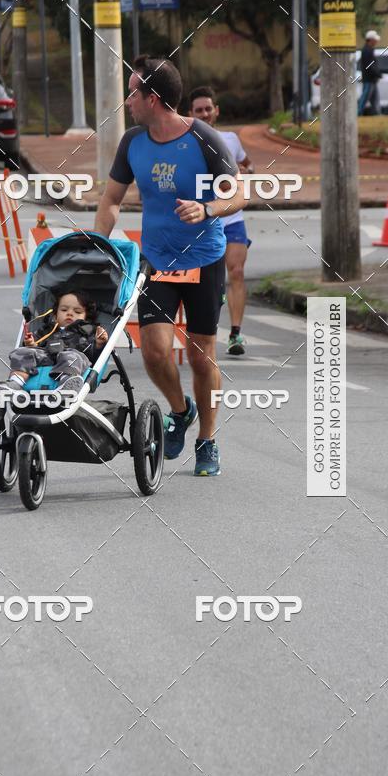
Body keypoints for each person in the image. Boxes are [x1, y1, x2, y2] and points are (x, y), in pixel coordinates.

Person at [94, 55, 247, 476]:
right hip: (158, 262)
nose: (127, 101)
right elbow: (111, 200)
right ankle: (181, 411)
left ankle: (207, 439)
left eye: (132, 93)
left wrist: (208, 208)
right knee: (155, 351)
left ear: (153, 99)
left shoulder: (204, 138)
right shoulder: (132, 142)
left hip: (204, 260)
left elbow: (239, 194)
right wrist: (97, 244)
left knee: (201, 355)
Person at [189, 85, 252, 356]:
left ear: (216, 110)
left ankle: (235, 334)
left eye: (208, 109)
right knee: (207, 283)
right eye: (198, 110)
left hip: (232, 218)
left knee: (236, 271)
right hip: (202, 219)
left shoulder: (231, 139)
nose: (204, 114)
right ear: (190, 113)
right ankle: (206, 330)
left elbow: (247, 163)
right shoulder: (186, 142)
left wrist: (247, 173)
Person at [0, 291, 108, 397]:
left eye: (77, 311)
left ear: (86, 316)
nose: (69, 313)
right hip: (46, 357)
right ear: (55, 314)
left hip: (73, 360)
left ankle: (67, 383)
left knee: (72, 356)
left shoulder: (87, 331)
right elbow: (35, 348)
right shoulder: (47, 329)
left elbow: (92, 356)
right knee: (22, 352)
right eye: (64, 310)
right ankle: (15, 382)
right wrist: (31, 344)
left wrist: (99, 344)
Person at [358, 30, 382, 116]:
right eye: (375, 40)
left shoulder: (369, 50)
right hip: (369, 79)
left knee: (375, 99)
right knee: (365, 97)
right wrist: (377, 74)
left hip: (371, 79)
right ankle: (358, 113)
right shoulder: (367, 51)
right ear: (371, 40)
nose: (376, 42)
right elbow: (369, 66)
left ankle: (377, 114)